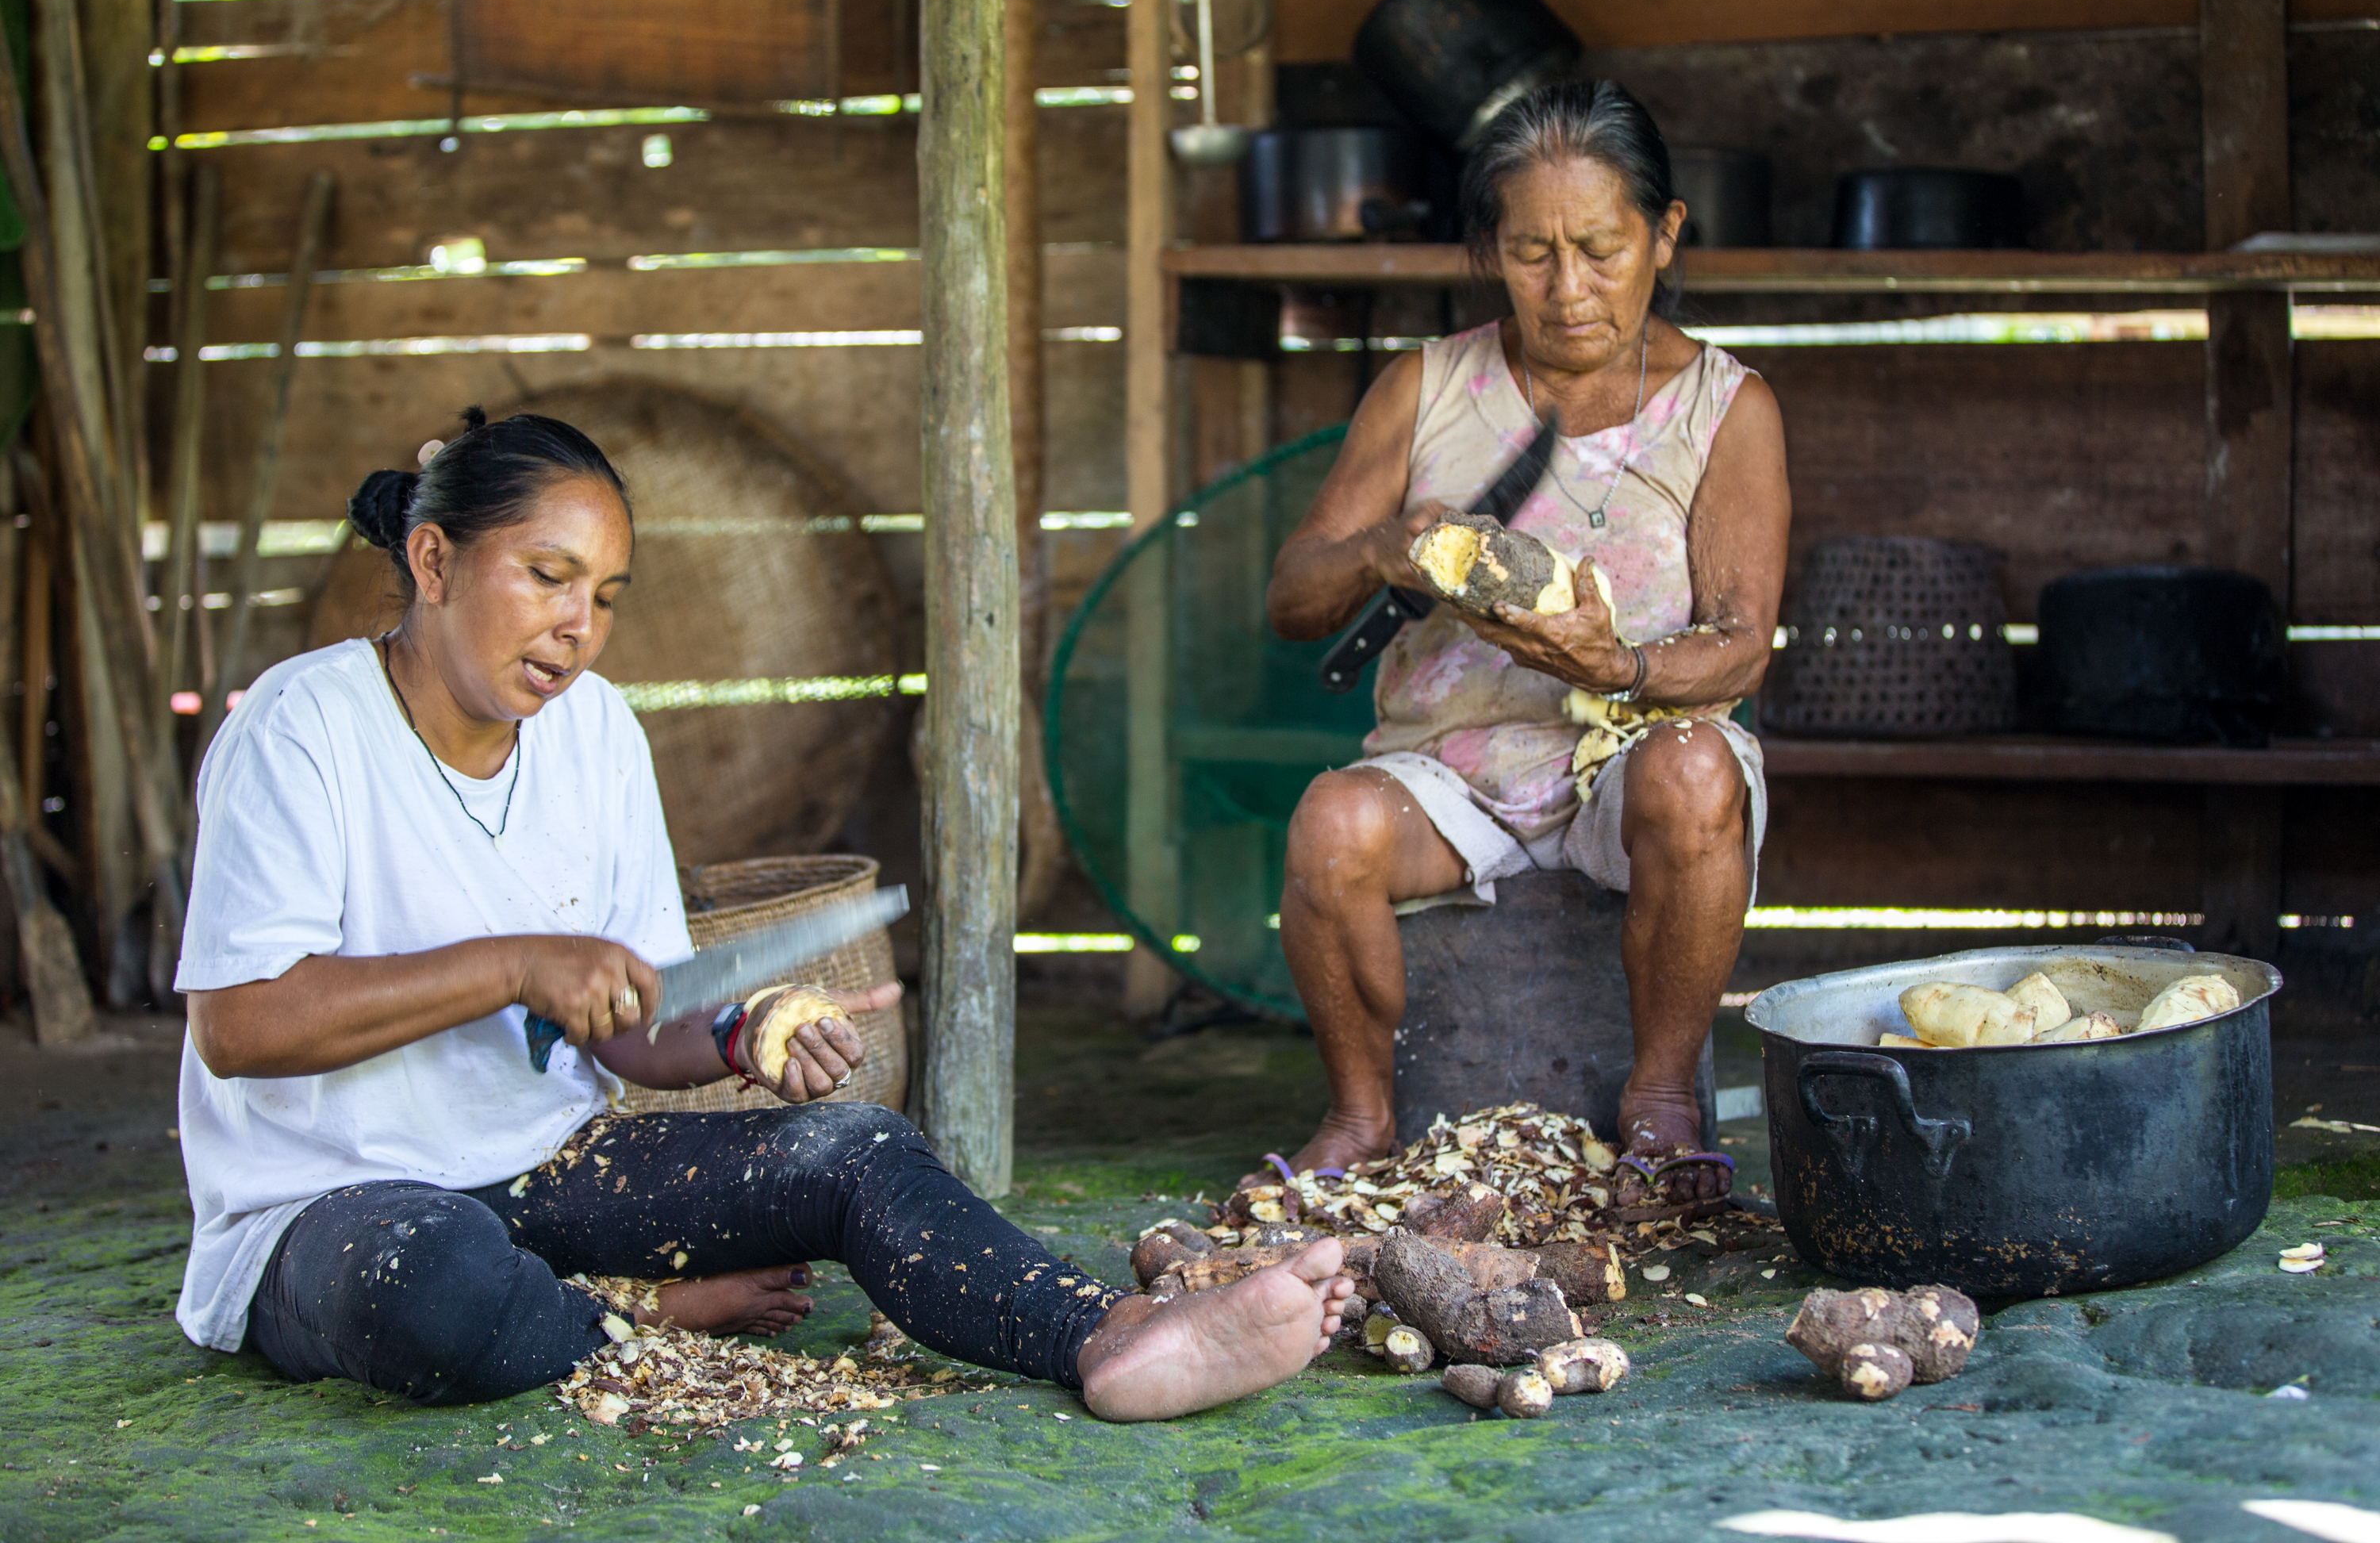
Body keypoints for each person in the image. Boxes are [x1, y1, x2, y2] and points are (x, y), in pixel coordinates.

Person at [174, 406, 1353, 1417]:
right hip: (326, 1213)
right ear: (432, 562)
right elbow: (240, 1025)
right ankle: (642, 1317)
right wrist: (515, 966)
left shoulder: (596, 734)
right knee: (427, 1287)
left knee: (855, 1150)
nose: (578, 628)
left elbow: (630, 1028)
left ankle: (1112, 1337)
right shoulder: (300, 729)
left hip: (545, 1171)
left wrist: (739, 1030)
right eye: (546, 577)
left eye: (606, 596)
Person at [1261, 81, 1791, 1205]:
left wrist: (1624, 670)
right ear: (1491, 250)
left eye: (1600, 248)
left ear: (1666, 233)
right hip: (1450, 774)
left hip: (1629, 761)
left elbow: (1742, 651)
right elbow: (1292, 596)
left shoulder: (1723, 408)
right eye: (1530, 252)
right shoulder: (1426, 387)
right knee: (1330, 826)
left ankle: (1660, 1103)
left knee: (1699, 769)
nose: (1568, 289)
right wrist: (1381, 553)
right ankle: (1361, 1117)